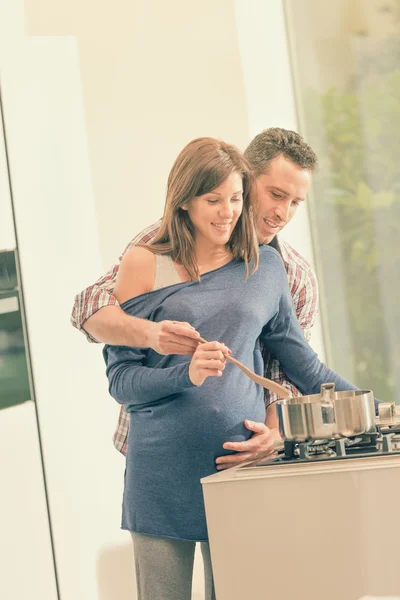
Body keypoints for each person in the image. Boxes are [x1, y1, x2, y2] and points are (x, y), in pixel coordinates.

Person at [102, 136, 363, 600]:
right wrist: (186, 373)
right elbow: (121, 377)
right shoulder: (143, 259)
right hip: (160, 474)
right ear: (184, 201)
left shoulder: (272, 268)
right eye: (213, 200)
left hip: (239, 469)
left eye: (234, 199)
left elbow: (300, 365)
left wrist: (379, 409)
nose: (227, 211)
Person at [71, 128, 319, 468]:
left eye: (295, 202)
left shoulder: (295, 276)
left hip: (248, 458)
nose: (283, 213)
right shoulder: (167, 241)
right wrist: (153, 335)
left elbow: (288, 372)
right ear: (245, 180)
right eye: (275, 194)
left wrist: (275, 434)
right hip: (163, 450)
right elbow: (90, 306)